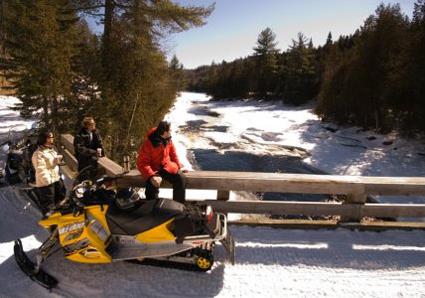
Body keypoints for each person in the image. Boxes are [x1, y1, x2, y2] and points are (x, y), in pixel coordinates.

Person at [137, 121, 188, 203]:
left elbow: (173, 154)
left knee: (180, 179)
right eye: (169, 130)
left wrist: (178, 166)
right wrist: (151, 176)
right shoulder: (149, 143)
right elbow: (142, 163)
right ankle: (153, 209)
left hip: (166, 167)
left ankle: (178, 206)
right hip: (153, 169)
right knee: (151, 186)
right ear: (164, 132)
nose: (171, 131)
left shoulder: (168, 139)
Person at [32, 130, 66, 216]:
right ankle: (53, 227)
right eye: (50, 137)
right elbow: (40, 170)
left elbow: (50, 164)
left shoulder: (51, 149)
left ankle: (62, 224)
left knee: (61, 202)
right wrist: (48, 182)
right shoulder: (38, 154)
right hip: (47, 185)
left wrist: (57, 160)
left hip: (55, 180)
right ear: (45, 139)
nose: (52, 139)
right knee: (49, 208)